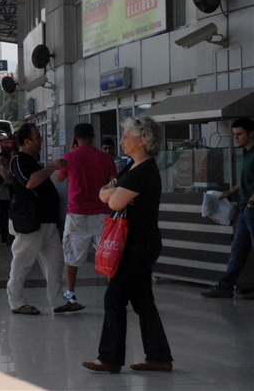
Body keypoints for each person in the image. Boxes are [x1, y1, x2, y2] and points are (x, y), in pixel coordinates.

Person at [83, 116, 173, 373]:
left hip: (137, 245)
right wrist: (115, 192)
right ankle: (159, 356)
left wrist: (115, 193)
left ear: (142, 140)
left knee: (114, 298)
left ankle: (110, 358)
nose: (121, 141)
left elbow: (111, 202)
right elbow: (105, 194)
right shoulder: (131, 167)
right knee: (143, 301)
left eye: (126, 137)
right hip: (135, 243)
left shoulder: (144, 170)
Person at [6, 123, 81, 315]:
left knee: (55, 263)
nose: (41, 140)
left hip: (47, 222)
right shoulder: (18, 160)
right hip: (30, 222)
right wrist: (53, 167)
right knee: (22, 262)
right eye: (38, 137)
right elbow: (30, 182)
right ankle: (16, 301)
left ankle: (58, 300)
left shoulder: (33, 161)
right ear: (27, 141)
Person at [56, 123, 117, 306]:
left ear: (75, 138)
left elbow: (59, 178)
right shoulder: (105, 158)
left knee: (72, 256)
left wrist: (71, 153)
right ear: (93, 137)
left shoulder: (70, 158)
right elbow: (113, 183)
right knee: (107, 255)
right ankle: (113, 295)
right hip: (101, 213)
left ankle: (71, 293)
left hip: (77, 214)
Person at [202, 117, 254, 299]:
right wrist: (230, 192)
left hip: (251, 207)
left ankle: (226, 285)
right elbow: (247, 180)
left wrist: (251, 201)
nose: (236, 138)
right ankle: (226, 286)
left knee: (241, 248)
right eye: (234, 135)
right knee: (238, 248)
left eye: (240, 134)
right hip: (246, 209)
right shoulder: (247, 153)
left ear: (251, 133)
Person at [0, 151, 14, 246]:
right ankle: (3, 237)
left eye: (2, 159)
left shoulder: (10, 170)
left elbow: (11, 182)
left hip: (10, 196)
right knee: (2, 218)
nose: (1, 162)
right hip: (1, 196)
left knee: (10, 218)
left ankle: (10, 237)